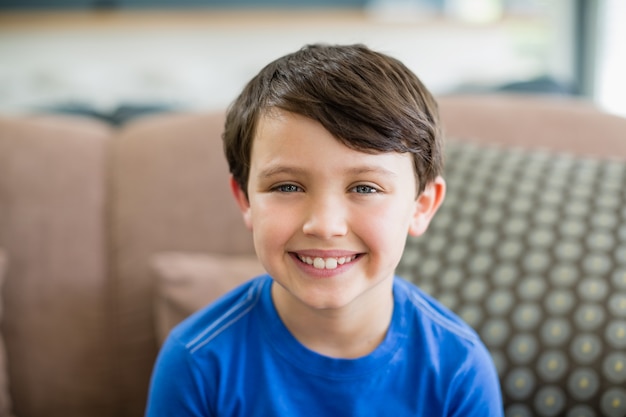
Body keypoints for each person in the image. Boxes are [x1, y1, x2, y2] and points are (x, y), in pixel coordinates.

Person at [145, 43, 503, 416]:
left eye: (365, 188)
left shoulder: (458, 366)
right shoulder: (196, 361)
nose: (325, 225)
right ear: (246, 201)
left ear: (422, 206)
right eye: (287, 187)